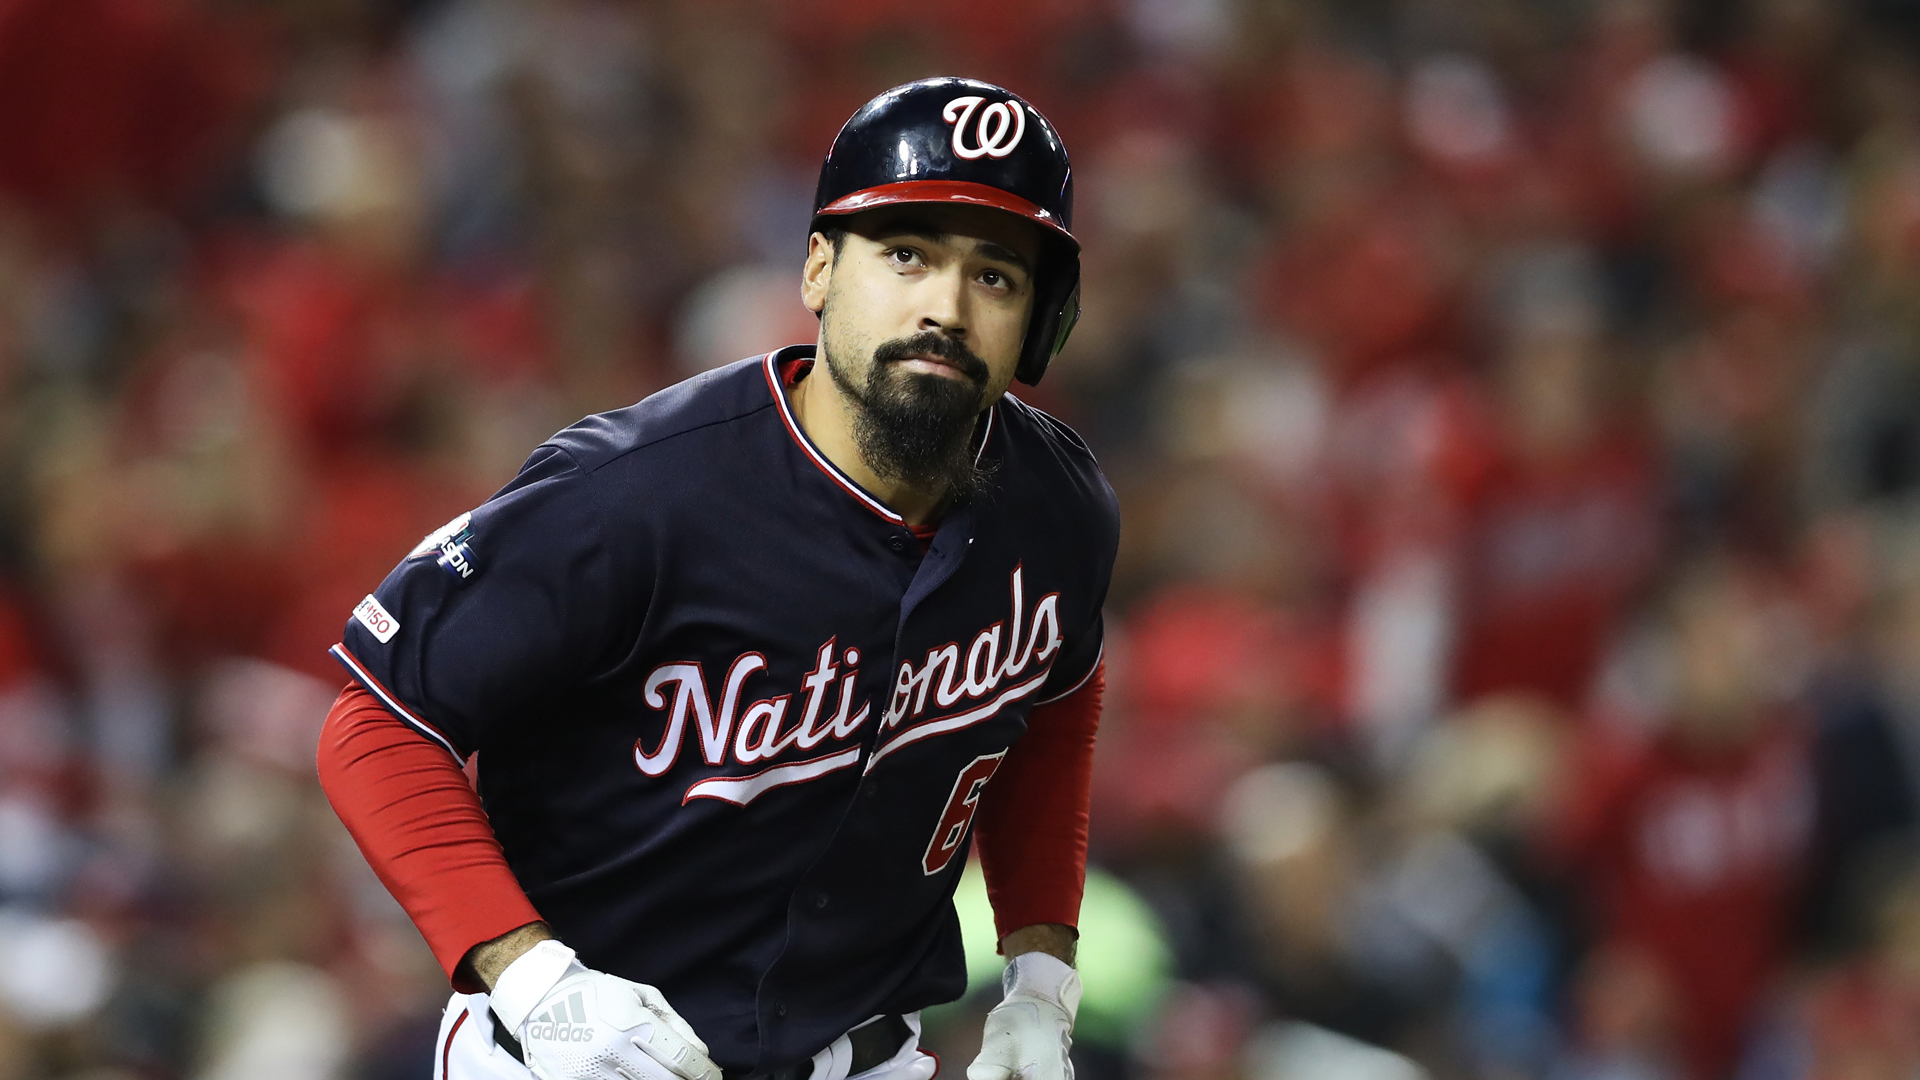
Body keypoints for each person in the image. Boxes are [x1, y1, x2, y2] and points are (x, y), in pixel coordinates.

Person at [315, 77, 1118, 1080]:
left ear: (1044, 317)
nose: (944, 308)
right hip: (588, 1051)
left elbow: (1053, 706)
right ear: (819, 268)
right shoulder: (636, 491)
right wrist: (534, 983)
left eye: (994, 276)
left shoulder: (1056, 507)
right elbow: (379, 722)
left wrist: (1042, 982)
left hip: (865, 1056)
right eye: (905, 255)